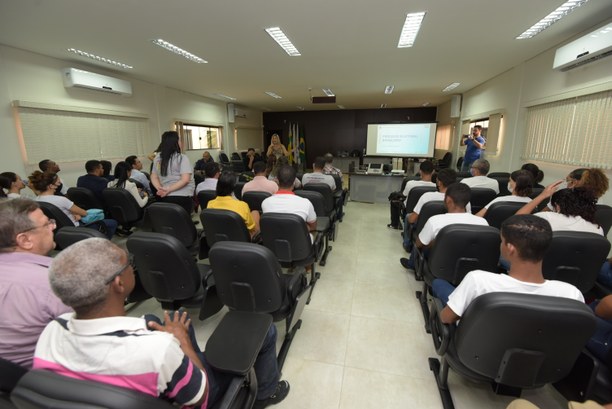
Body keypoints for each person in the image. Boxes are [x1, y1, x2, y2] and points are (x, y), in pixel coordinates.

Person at [33, 238, 289, 408]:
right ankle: (266, 392)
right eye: (128, 265)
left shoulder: (52, 330)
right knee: (265, 329)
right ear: (119, 284)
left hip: (112, 387)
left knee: (160, 321)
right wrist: (183, 344)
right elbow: (201, 399)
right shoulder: (156, 348)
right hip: (201, 394)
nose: (133, 268)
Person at [433, 214, 584, 324]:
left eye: (502, 241)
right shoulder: (571, 294)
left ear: (510, 248)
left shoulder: (479, 281)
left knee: (439, 283)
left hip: (476, 356)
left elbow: (447, 318)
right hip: (541, 364)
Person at [0, 199, 71, 368]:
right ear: (25, 240)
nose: (53, 227)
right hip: (43, 380)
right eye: (47, 224)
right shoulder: (52, 281)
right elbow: (94, 336)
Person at [400, 183, 488, 270]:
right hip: (473, 266)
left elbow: (419, 243)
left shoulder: (435, 221)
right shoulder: (483, 222)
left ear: (448, 200)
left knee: (421, 243)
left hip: (442, 267)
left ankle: (411, 264)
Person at [30, 171, 118, 239]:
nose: (60, 183)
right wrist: (77, 215)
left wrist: (73, 214)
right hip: (77, 229)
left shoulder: (36, 201)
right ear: (51, 186)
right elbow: (84, 213)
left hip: (57, 232)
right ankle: (101, 245)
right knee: (112, 222)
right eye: (58, 181)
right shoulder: (61, 200)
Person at [402, 168, 462, 251]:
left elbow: (412, 220)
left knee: (408, 216)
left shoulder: (427, 196)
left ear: (439, 182)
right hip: (457, 235)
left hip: (426, 233)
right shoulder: (462, 200)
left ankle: (407, 244)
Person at [517, 183, 603, 235]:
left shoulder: (546, 218)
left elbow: (515, 223)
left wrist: (542, 195)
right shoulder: (597, 228)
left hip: (544, 264)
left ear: (557, 206)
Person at [262, 165, 317, 234]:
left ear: (278, 181)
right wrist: (299, 227)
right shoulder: (306, 203)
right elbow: (313, 227)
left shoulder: (265, 202)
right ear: (294, 182)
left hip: (273, 243)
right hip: (299, 243)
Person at [150, 131, 196, 215]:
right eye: (179, 140)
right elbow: (185, 180)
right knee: (183, 224)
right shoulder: (182, 158)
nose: (181, 142)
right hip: (182, 197)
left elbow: (153, 176)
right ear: (176, 142)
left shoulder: (158, 158)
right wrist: (168, 190)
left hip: (166, 197)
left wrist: (160, 189)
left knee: (172, 222)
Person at [207, 171, 260, 240]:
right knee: (255, 212)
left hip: (221, 238)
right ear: (233, 187)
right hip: (240, 240)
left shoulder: (210, 204)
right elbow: (252, 228)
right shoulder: (242, 205)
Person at [389, 160, 435, 229]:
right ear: (433, 171)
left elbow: (404, 196)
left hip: (410, 211)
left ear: (420, 171)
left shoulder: (411, 183)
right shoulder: (436, 186)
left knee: (394, 200)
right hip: (429, 212)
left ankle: (395, 224)